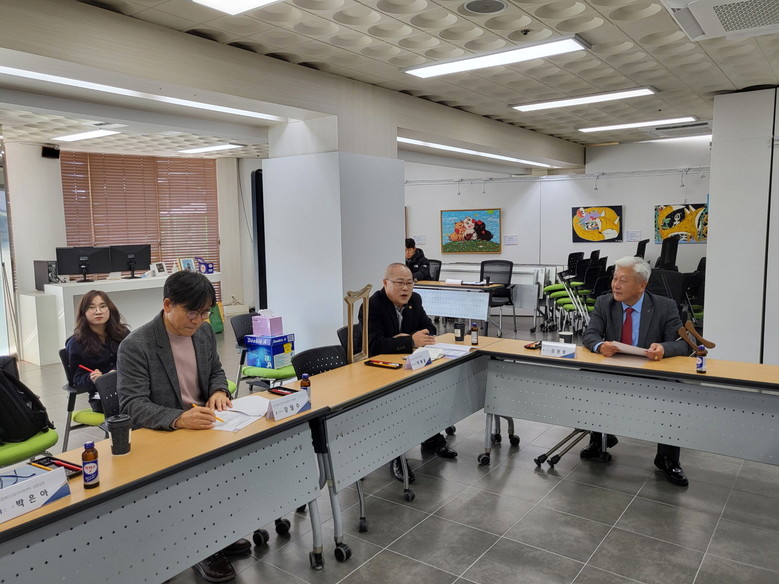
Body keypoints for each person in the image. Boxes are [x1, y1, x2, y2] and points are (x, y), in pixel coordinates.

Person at [117, 270, 250, 583]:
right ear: (167, 305)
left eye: (205, 313)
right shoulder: (136, 345)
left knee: (234, 464)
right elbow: (132, 405)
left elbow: (216, 371)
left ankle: (219, 534)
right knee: (194, 479)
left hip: (204, 424)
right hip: (164, 434)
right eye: (193, 312)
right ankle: (201, 548)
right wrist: (178, 418)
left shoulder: (202, 333)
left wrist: (219, 391)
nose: (199, 320)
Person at [581, 256, 690, 486]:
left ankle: (667, 458)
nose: (615, 285)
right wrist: (600, 346)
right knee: (587, 376)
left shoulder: (665, 306)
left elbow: (683, 344)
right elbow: (590, 335)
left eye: (623, 280)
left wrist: (664, 348)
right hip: (615, 368)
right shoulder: (604, 303)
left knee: (675, 389)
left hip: (651, 370)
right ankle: (599, 438)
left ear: (642, 285)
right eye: (614, 279)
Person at [361, 263, 457, 483]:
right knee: (400, 402)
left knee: (432, 388)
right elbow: (373, 346)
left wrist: (404, 340)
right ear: (385, 283)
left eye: (409, 283)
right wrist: (410, 340)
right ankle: (396, 455)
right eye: (399, 283)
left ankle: (431, 438)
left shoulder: (415, 300)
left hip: (409, 364)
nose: (405, 289)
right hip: (380, 371)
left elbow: (430, 329)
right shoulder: (372, 305)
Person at [66, 290, 130, 413]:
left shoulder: (123, 333)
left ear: (110, 309)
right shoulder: (76, 343)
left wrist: (116, 371)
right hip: (103, 397)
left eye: (103, 306)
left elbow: (134, 360)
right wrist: (92, 378)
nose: (98, 311)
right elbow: (77, 379)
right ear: (84, 312)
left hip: (128, 388)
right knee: (135, 406)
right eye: (91, 307)